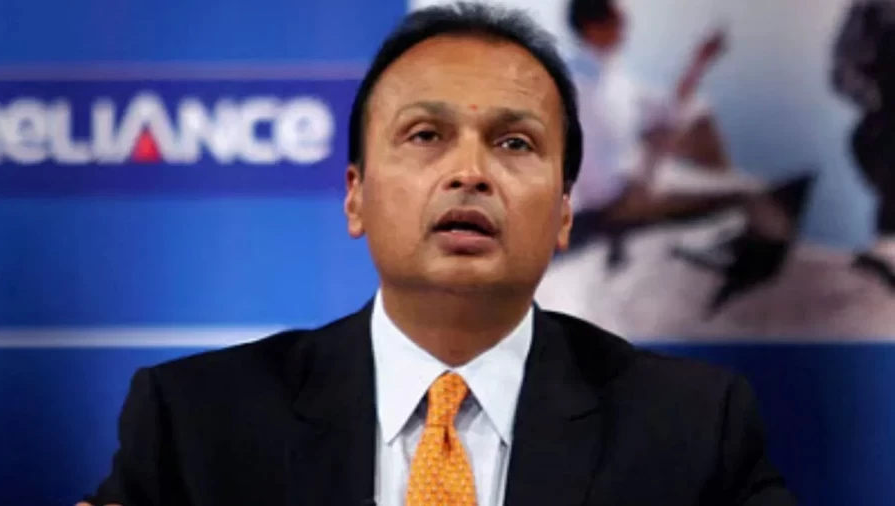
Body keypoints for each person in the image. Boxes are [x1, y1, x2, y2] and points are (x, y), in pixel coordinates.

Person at [79, 3, 796, 505]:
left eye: (514, 143)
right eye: (425, 135)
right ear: (355, 197)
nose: (470, 173)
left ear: (564, 213)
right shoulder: (198, 423)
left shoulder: (690, 429)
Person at [564, 0, 815, 311]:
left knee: (699, 115)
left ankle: (725, 205)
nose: (626, 29)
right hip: (618, 197)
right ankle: (732, 226)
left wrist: (700, 62)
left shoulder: (613, 78)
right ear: (592, 27)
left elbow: (670, 109)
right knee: (751, 192)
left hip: (631, 182)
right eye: (618, 21)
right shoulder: (572, 78)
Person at [832, 0, 895, 291]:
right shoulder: (874, 10)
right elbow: (843, 71)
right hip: (882, 129)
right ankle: (888, 245)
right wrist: (877, 102)